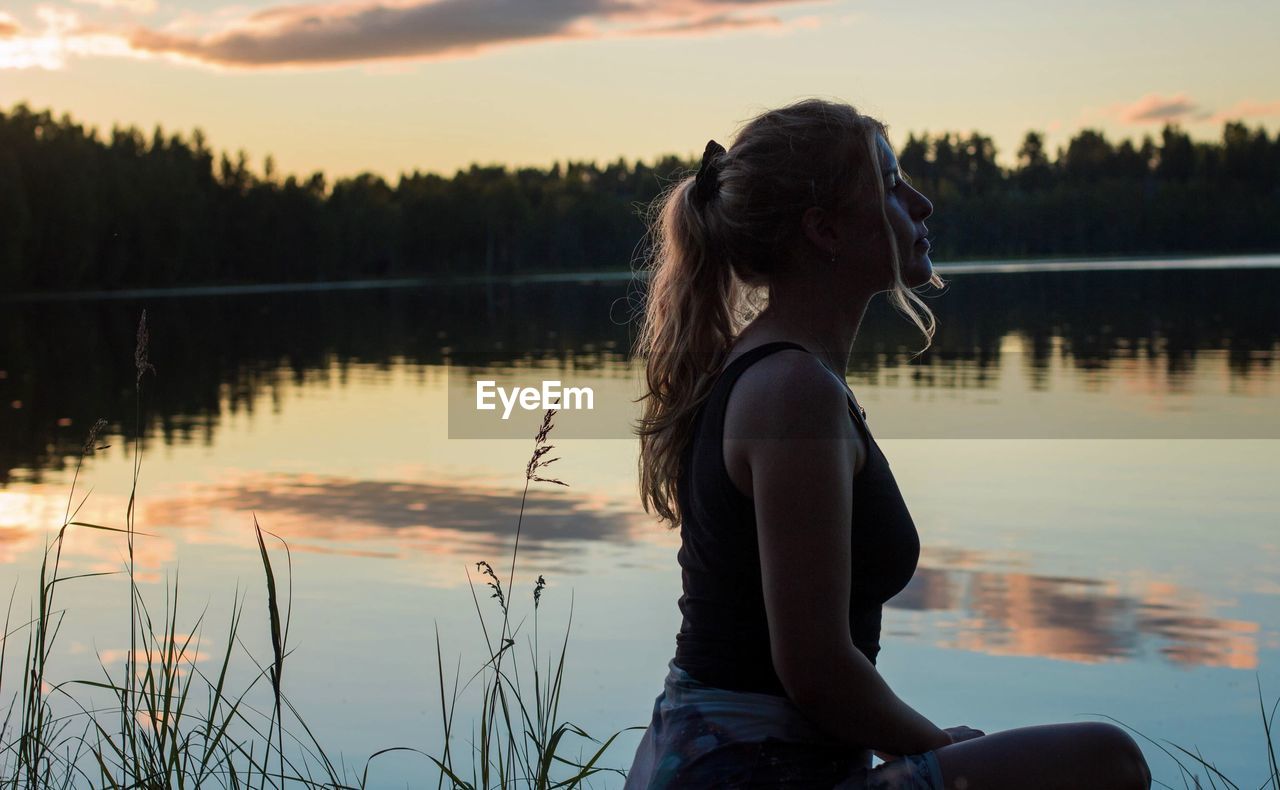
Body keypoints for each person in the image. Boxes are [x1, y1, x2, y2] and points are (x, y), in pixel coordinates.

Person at [625, 98, 1153, 789]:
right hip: (748, 773)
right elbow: (812, 668)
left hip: (744, 761)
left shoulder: (780, 374)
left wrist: (927, 751)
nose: (922, 203)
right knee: (1105, 761)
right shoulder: (791, 392)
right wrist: (934, 746)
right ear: (825, 230)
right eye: (891, 185)